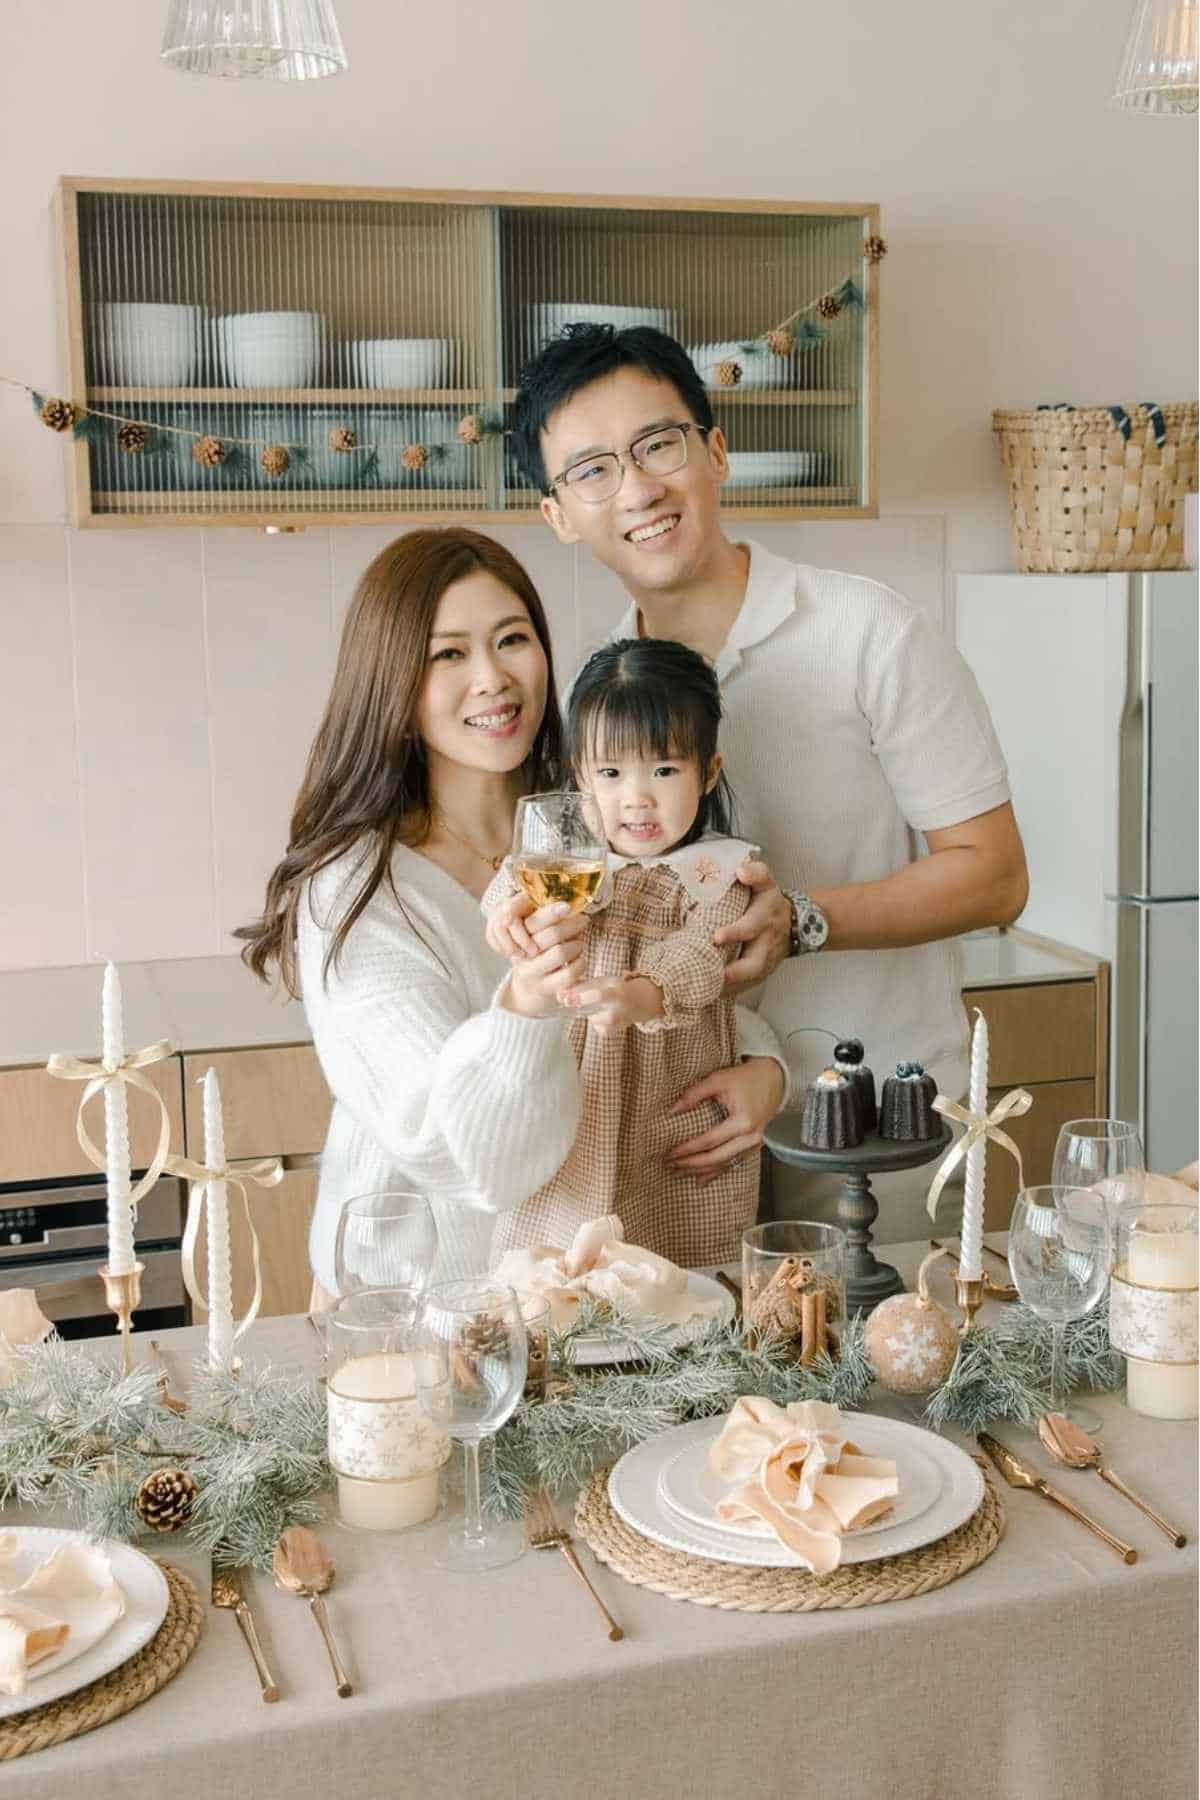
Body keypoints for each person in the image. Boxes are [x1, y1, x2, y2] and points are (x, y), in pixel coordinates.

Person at [511, 325, 1028, 1213]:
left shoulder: (870, 633)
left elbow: (997, 875)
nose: (636, 488)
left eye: (657, 444)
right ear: (558, 514)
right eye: (591, 469)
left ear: (715, 451)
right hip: (686, 1151)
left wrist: (806, 921)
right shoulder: (600, 699)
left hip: (879, 1127)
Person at [237, 527, 590, 1297]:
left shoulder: (585, 836)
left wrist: (759, 1065)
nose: (493, 679)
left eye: (512, 639)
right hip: (422, 1313)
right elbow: (464, 1155)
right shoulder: (356, 889)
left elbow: (668, 974)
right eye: (448, 655)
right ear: (391, 684)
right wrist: (527, 1008)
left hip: (596, 1293)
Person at [483, 636, 783, 1265]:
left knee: (683, 1283)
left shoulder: (722, 872)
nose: (637, 798)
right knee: (559, 1283)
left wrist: (640, 994)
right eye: (611, 774)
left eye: (665, 770)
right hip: (576, 1109)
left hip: (674, 1113)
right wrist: (506, 919)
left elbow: (706, 955)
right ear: (581, 779)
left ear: (710, 773)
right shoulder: (575, 861)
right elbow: (510, 885)